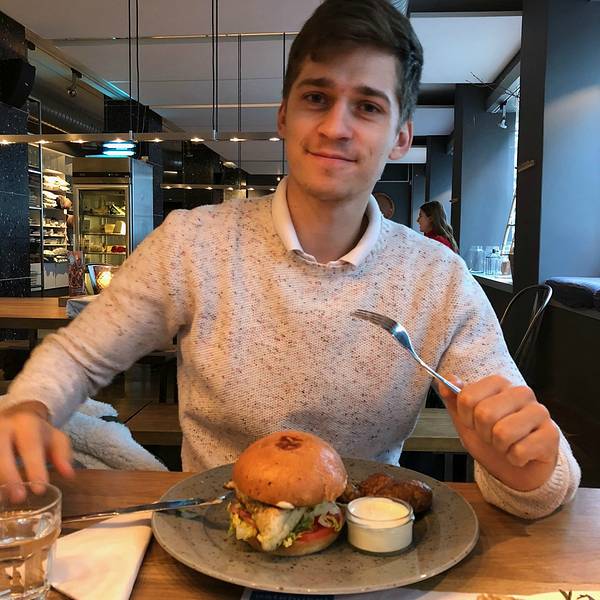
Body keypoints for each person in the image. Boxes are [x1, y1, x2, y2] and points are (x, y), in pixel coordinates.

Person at [0, 0, 579, 518]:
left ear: (401, 136)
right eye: (316, 98)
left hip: (366, 553)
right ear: (283, 116)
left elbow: (549, 483)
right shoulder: (191, 244)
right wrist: (31, 405)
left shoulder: (438, 278)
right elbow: (78, 356)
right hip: (208, 536)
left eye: (368, 107)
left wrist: (524, 469)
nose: (335, 127)